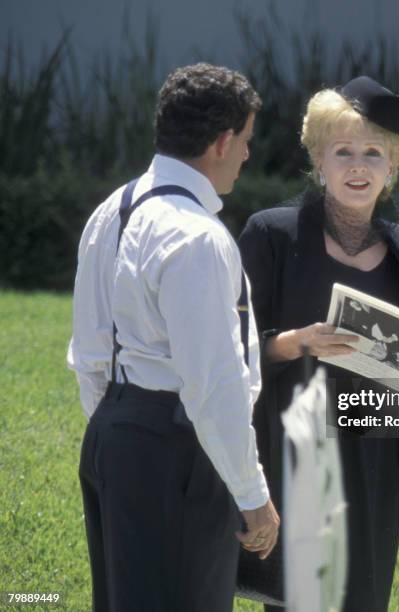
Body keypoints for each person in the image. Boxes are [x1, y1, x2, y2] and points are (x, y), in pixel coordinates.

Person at [239, 76, 399, 611]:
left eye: (373, 153)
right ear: (318, 162)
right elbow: (232, 349)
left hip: (380, 457)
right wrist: (294, 343)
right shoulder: (272, 236)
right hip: (294, 449)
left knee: (365, 598)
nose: (358, 165)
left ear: (392, 167)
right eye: (343, 151)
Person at [67, 63, 279, 612]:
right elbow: (213, 385)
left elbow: (89, 355)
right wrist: (253, 497)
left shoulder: (109, 212)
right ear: (223, 141)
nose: (247, 156)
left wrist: (121, 429)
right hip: (177, 448)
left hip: (113, 435)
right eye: (247, 141)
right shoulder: (198, 238)